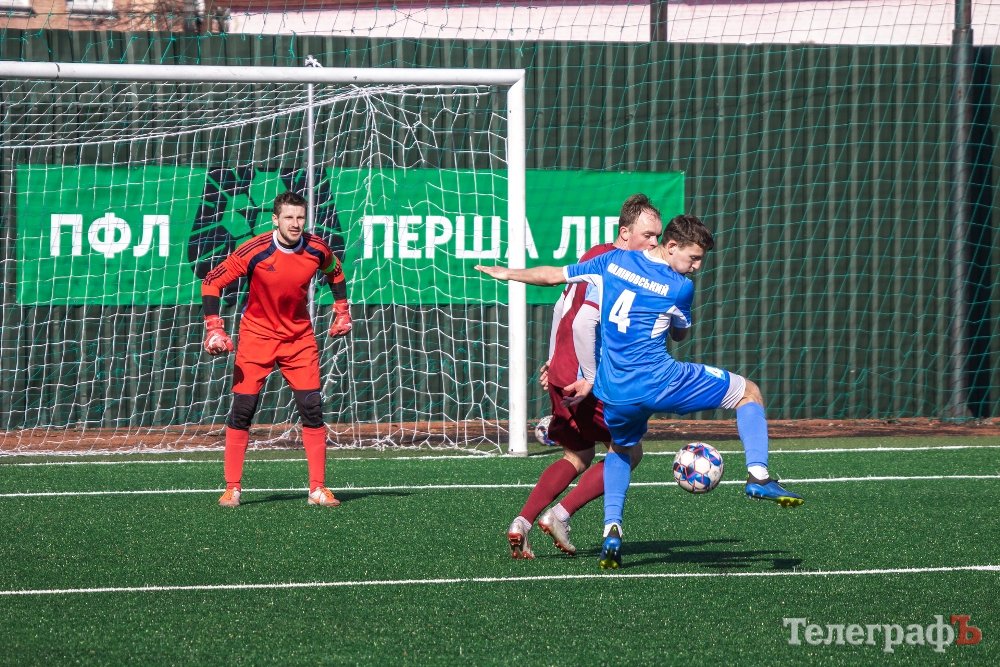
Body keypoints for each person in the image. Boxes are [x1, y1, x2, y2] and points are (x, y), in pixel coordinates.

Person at [478, 211, 803, 569]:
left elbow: (552, 276)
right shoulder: (681, 287)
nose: (697, 267)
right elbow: (679, 334)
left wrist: (508, 273)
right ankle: (759, 475)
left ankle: (611, 529)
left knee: (622, 449)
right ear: (671, 246)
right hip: (660, 381)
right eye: (694, 258)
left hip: (614, 393)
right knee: (748, 392)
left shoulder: (611, 262)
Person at [507, 194, 662, 559]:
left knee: (578, 453)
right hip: (585, 378)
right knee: (629, 450)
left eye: (657, 235)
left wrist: (552, 361)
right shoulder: (620, 268)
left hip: (563, 368)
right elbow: (581, 321)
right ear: (625, 233)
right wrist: (589, 376)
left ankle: (522, 522)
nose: (654, 243)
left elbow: (561, 306)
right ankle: (559, 515)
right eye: (648, 235)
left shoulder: (594, 254)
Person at [202, 191, 352, 508]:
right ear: (275, 219)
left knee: (312, 408)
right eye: (288, 217)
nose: (295, 224)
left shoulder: (317, 248)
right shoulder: (254, 250)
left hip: (299, 339)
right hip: (257, 337)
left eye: (300, 217)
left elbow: (335, 270)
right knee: (243, 410)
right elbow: (211, 282)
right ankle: (232, 488)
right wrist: (214, 328)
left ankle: (317, 489)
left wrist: (342, 310)